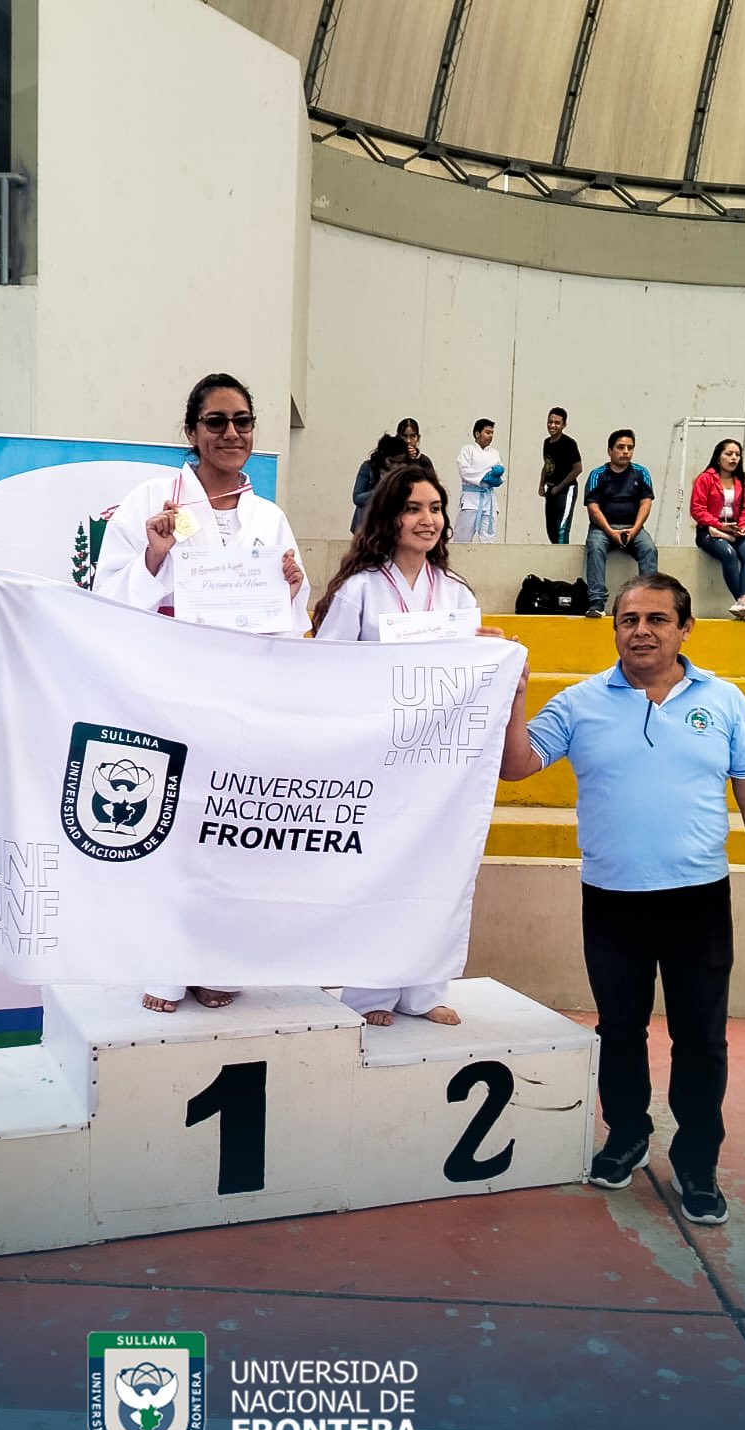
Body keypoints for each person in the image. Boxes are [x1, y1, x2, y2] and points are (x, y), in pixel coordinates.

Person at [499, 573, 745, 1226]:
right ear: (615, 630)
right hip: (612, 899)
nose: (642, 631)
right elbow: (515, 766)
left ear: (686, 629)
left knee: (700, 1038)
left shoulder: (724, 701)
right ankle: (627, 1134)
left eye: (658, 619)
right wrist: (514, 697)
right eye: (629, 620)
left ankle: (697, 1163)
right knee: (619, 1028)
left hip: (698, 899)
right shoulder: (579, 703)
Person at [94, 372, 309, 1014]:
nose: (231, 433)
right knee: (170, 827)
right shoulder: (151, 503)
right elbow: (107, 598)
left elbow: (290, 622)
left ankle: (219, 959)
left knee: (230, 830)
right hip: (170, 688)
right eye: (216, 421)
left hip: (244, 696)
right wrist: (154, 556)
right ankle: (165, 964)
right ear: (191, 431)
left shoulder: (269, 518)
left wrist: (291, 587)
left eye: (243, 421)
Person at [314, 463, 482, 1027]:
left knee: (436, 873)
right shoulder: (360, 589)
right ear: (389, 517)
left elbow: (470, 674)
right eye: (413, 509)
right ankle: (370, 992)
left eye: (435, 509)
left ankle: (424, 988)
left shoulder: (456, 593)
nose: (427, 519)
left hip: (438, 760)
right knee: (380, 873)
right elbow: (328, 670)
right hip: (375, 756)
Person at [582, 429, 657, 618]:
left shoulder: (641, 473)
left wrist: (634, 530)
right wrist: (610, 532)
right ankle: (597, 603)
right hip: (602, 528)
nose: (626, 452)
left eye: (630, 448)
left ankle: (648, 602)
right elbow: (593, 508)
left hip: (633, 527)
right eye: (621, 447)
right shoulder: (597, 475)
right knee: (595, 546)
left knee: (649, 549)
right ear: (610, 450)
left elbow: (646, 503)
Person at [690, 439, 745, 620]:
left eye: (737, 455)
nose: (734, 458)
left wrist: (743, 526)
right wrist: (719, 525)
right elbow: (697, 509)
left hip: (735, 529)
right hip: (709, 531)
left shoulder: (744, 480)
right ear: (718, 457)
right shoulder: (705, 479)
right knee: (729, 554)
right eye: (729, 454)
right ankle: (742, 601)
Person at [453, 419, 504, 543]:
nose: (490, 436)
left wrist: (497, 479)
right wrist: (485, 476)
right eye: (487, 432)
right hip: (470, 499)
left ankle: (487, 556)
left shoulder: (494, 453)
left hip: (489, 499)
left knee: (488, 538)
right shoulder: (467, 450)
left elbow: (500, 472)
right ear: (477, 434)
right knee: (462, 537)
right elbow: (465, 471)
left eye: (492, 433)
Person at [538, 408, 582, 545]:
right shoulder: (547, 442)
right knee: (551, 529)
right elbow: (547, 464)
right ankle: (556, 554)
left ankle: (563, 557)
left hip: (566, 490)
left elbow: (578, 469)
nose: (552, 425)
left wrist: (560, 487)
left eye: (557, 423)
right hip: (551, 490)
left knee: (562, 528)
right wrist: (541, 484)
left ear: (564, 425)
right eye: (550, 422)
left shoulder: (569, 443)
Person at [351, 432, 409, 532]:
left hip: (393, 527)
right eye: (391, 461)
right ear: (383, 456)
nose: (395, 466)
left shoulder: (406, 472)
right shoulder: (368, 467)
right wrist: (382, 489)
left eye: (399, 463)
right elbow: (357, 498)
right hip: (367, 526)